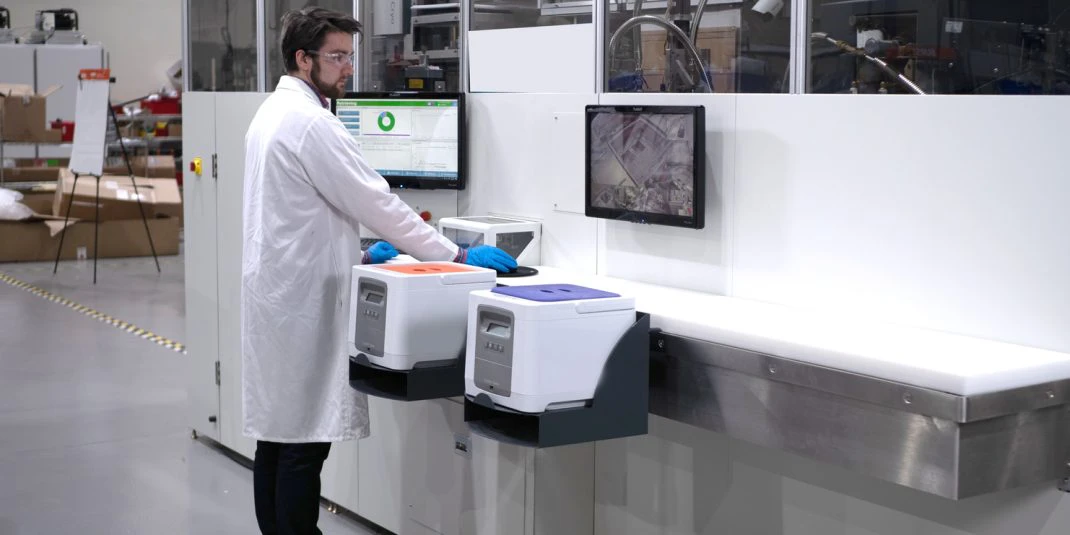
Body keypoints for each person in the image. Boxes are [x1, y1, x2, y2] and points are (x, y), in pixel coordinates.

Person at [240, 8, 516, 535]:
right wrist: (454, 255)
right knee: (301, 444)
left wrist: (359, 256)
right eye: (337, 57)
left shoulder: (271, 113)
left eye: (349, 56)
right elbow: (377, 203)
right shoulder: (312, 123)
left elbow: (291, 215)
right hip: (302, 302)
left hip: (280, 291)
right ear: (303, 59)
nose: (348, 68)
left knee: (277, 436)